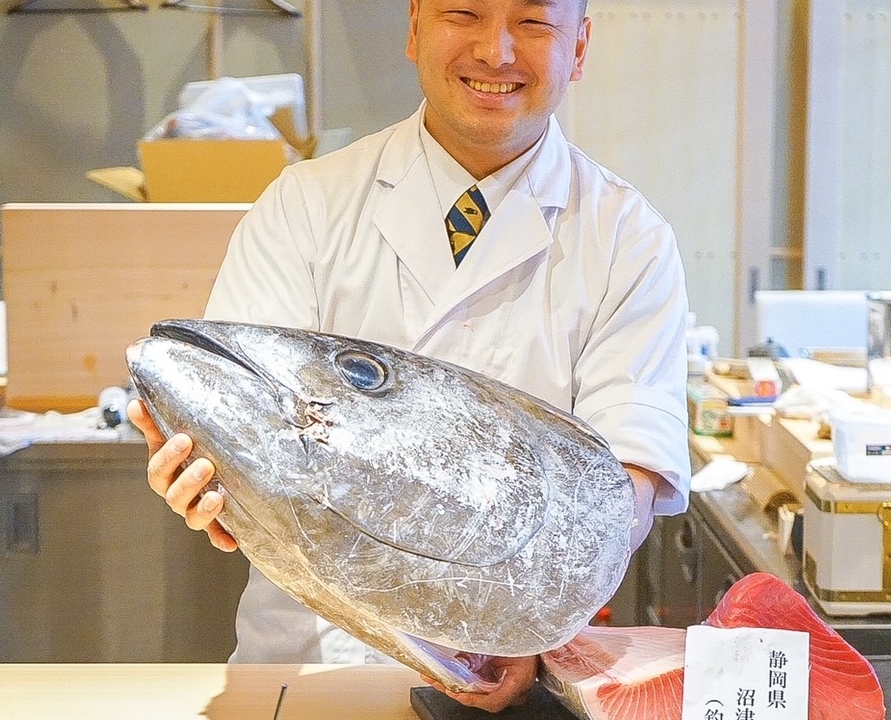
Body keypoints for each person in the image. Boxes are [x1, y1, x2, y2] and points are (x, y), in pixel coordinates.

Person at [128, 0, 691, 711]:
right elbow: (233, 410)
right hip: (303, 663)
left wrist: (527, 624)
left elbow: (626, 483)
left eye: (533, 23)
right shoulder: (306, 204)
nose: (496, 52)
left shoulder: (629, 239)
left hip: (502, 680)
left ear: (578, 47)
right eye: (465, 12)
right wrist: (205, 472)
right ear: (415, 26)